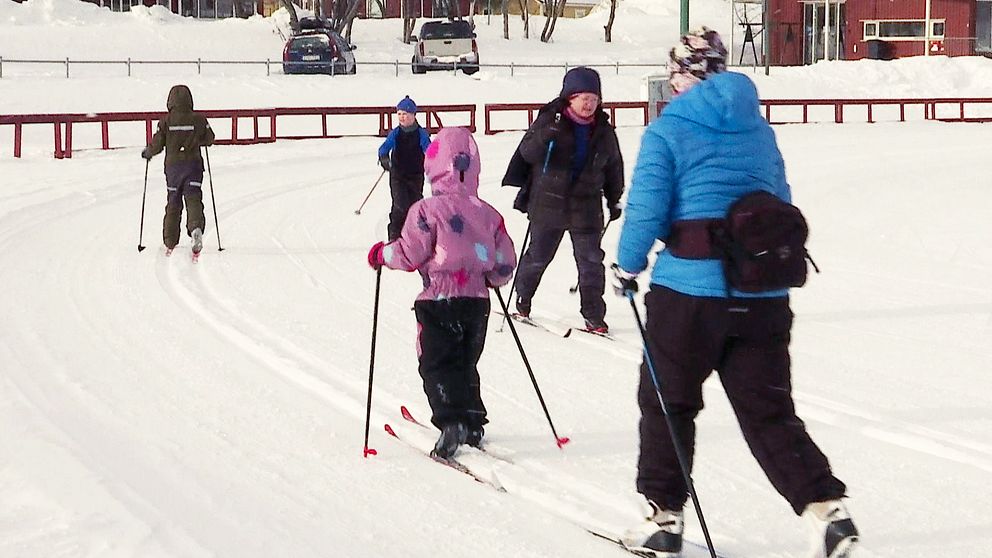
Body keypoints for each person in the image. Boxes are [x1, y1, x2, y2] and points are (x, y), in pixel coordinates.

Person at [614, 28, 858, 558]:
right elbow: (780, 201)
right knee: (770, 412)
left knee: (667, 403)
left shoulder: (667, 131)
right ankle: (826, 512)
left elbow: (647, 211)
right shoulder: (759, 131)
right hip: (762, 294)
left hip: (689, 296)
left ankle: (664, 519)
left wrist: (626, 266)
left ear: (680, 75)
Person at [367, 127, 516, 459]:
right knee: (465, 361)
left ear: (431, 165)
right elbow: (505, 263)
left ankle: (451, 421)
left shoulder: (426, 210)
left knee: (436, 362)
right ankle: (473, 421)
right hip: (477, 302)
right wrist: (489, 276)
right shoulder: (488, 213)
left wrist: (382, 254)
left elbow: (409, 253)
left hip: (438, 300)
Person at [506, 66, 624, 334]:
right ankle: (523, 299)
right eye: (583, 97)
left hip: (587, 206)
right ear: (569, 97)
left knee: (591, 262)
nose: (589, 104)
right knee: (538, 257)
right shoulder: (550, 120)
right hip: (549, 202)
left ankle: (594, 315)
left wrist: (614, 198)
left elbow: (614, 166)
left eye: (594, 99)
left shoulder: (603, 131)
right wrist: (548, 134)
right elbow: (527, 152)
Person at [142, 84, 215, 257]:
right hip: (193, 166)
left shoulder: (165, 121)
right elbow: (210, 138)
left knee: (173, 202)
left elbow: (158, 144)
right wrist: (198, 139)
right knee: (193, 199)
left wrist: (148, 152)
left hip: (173, 169)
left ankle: (170, 240)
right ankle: (196, 228)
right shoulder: (199, 120)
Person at [377, 96, 432, 241]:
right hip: (398, 175)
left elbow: (430, 151)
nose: (402, 117)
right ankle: (394, 236)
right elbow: (384, 148)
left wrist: (434, 163)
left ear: (413, 115)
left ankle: (413, 237)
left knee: (415, 206)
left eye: (405, 114)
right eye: (399, 114)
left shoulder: (421, 134)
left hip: (415, 175)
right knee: (400, 204)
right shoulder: (396, 133)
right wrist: (384, 159)